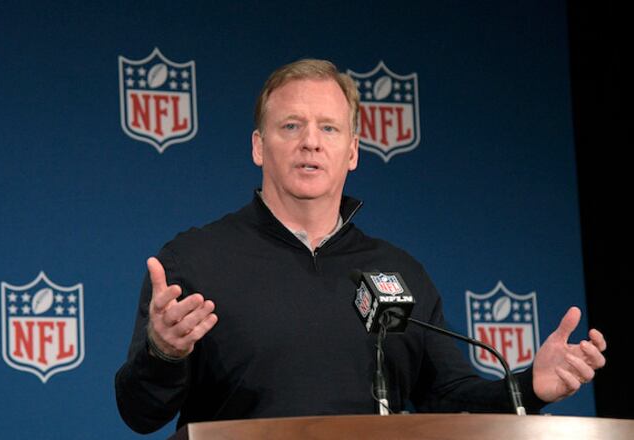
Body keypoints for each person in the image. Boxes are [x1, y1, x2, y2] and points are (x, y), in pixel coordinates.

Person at [114, 59, 607, 434]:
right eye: (291, 126)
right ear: (259, 146)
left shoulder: (396, 269)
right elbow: (139, 413)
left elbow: (450, 399)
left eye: (328, 128)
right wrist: (163, 351)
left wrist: (530, 387)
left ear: (351, 151)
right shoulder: (196, 261)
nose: (311, 142)